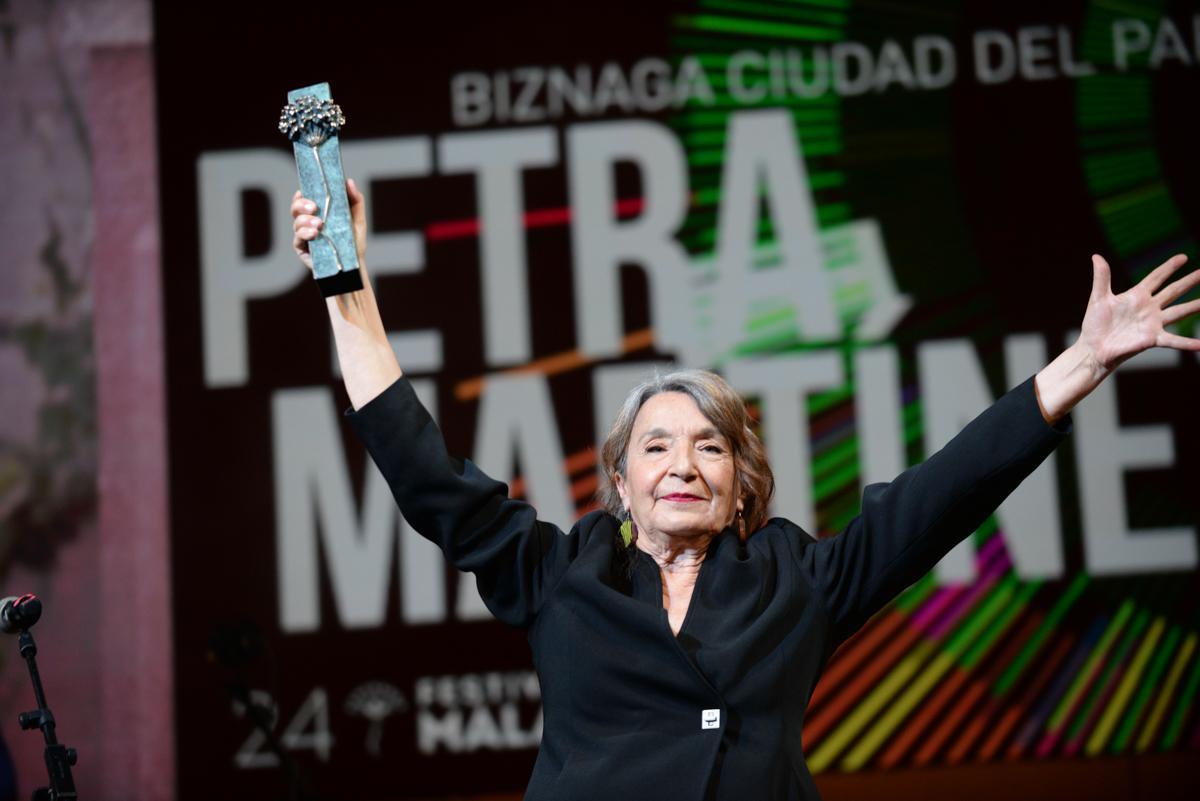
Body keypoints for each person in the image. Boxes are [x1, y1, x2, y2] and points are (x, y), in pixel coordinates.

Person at [292, 181, 1200, 801]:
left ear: (740, 489)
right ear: (621, 484)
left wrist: (1083, 363)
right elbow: (424, 471)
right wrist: (345, 281)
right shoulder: (561, 575)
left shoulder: (795, 579)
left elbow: (943, 494)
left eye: (710, 447)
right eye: (655, 446)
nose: (683, 464)